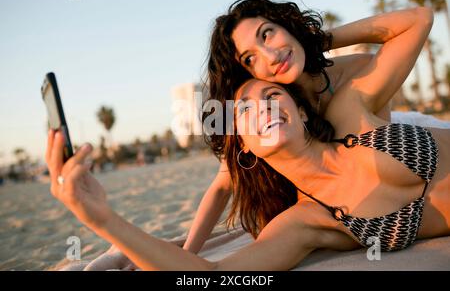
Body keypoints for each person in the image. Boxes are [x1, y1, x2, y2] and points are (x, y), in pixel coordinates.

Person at [45, 74, 449, 269]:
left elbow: (413, 25)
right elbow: (209, 276)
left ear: (303, 112)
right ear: (245, 145)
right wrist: (101, 218)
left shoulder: (349, 116)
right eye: (245, 110)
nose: (265, 108)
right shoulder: (303, 222)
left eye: (273, 95)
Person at [183, 0, 450, 253]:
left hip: (395, 137)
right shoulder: (271, 112)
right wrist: (189, 251)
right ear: (250, 74)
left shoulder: (356, 69)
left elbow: (418, 19)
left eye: (267, 34)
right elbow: (223, 185)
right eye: (250, 59)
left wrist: (315, 40)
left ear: (287, 26)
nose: (271, 56)